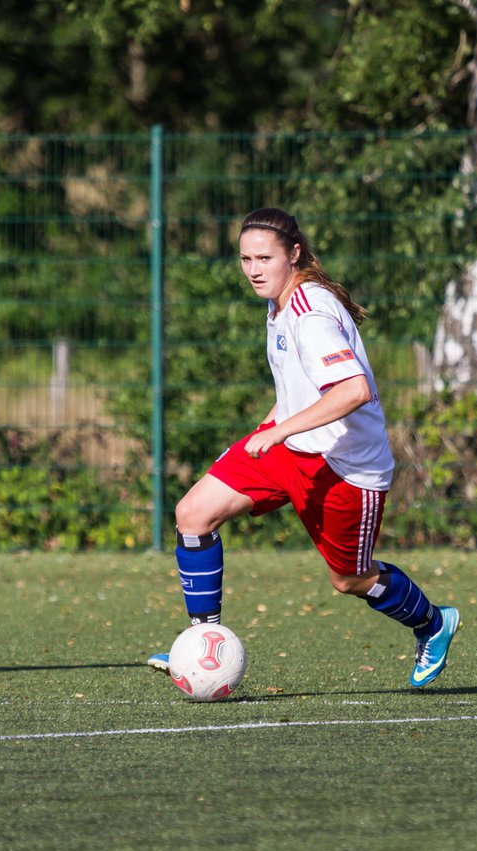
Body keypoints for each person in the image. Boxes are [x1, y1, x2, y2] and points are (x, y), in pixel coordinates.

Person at [147, 207, 459, 687]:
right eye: (245, 258)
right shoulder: (277, 303)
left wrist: (281, 430)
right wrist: (270, 426)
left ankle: (433, 623)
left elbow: (353, 390)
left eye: (264, 258)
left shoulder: (309, 312)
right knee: (193, 514)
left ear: (293, 254)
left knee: (349, 580)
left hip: (345, 468)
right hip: (291, 449)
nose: (253, 269)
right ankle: (202, 646)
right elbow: (298, 386)